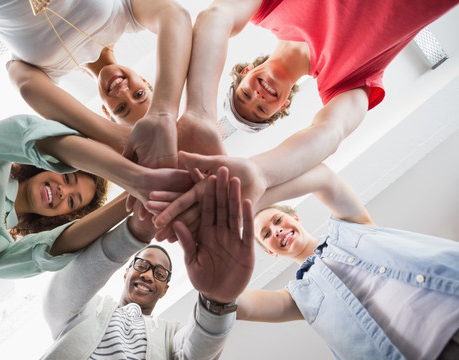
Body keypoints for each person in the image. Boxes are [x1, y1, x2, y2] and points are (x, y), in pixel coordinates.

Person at [171, 0, 459, 210]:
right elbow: (330, 132)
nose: (257, 98)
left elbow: (216, 15)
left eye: (244, 95)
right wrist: (260, 172)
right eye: (261, 111)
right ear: (282, 108)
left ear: (245, 71)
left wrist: (199, 113)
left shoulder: (268, 10)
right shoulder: (344, 83)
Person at [0, 113, 193, 309]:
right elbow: (28, 134)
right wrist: (135, 177)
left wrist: (135, 197)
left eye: (72, 202)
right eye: (68, 178)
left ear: (61, 218)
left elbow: (50, 251)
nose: (64, 191)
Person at [233, 163, 459, 359]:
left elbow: (323, 178)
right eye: (265, 234)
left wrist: (248, 200)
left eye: (278, 220)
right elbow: (238, 306)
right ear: (270, 252)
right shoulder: (299, 298)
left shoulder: (350, 227)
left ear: (296, 218)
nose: (277, 230)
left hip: (450, 308)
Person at [41, 166, 255, 359]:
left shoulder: (170, 337)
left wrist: (218, 301)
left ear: (164, 290)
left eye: (160, 274)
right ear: (126, 272)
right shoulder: (89, 309)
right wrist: (138, 230)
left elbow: (196, 352)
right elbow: (64, 292)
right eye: (142, 266)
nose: (148, 275)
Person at [0, 0, 192, 167]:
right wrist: (164, 112)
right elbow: (175, 15)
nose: (123, 92)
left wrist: (120, 140)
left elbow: (26, 87)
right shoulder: (126, 15)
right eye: (139, 94)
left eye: (121, 109)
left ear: (106, 111)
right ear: (146, 81)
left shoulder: (46, 73)